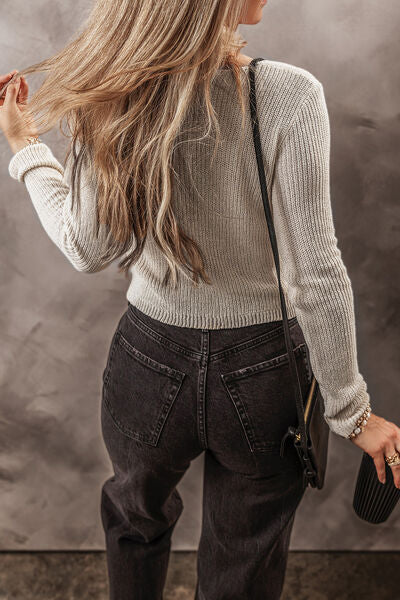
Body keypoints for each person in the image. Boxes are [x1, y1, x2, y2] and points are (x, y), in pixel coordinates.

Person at [1, 0, 399, 598]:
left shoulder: (110, 93)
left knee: (135, 522)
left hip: (148, 364)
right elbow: (315, 275)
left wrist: (26, 146)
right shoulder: (289, 96)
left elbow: (86, 248)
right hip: (265, 374)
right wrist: (353, 414)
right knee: (244, 560)